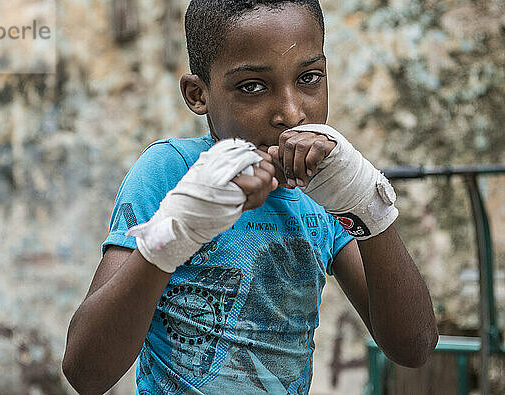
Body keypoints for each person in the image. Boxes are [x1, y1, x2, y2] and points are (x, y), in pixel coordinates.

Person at [62, 1, 439, 393]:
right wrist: (175, 232)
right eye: (252, 87)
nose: (292, 114)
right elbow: (86, 374)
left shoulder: (327, 189)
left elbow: (413, 347)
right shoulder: (171, 173)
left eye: (309, 78)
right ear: (198, 94)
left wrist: (367, 202)